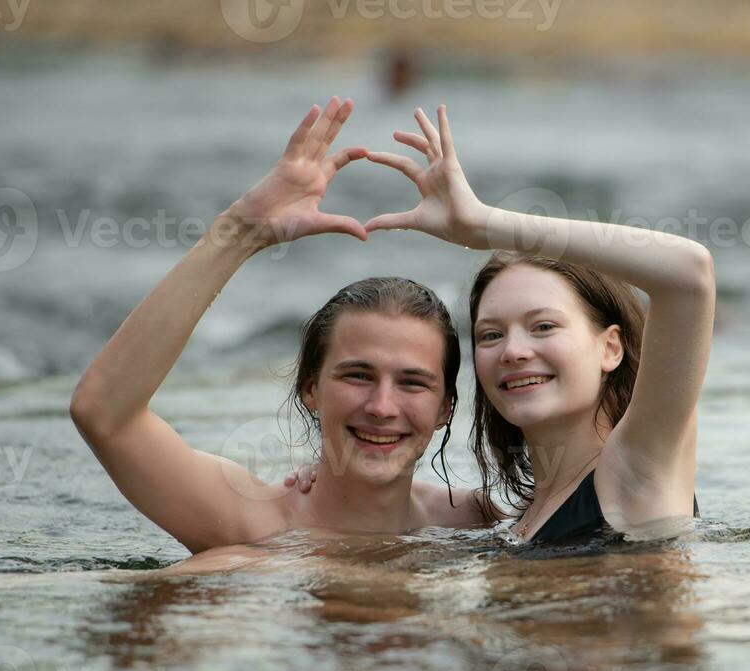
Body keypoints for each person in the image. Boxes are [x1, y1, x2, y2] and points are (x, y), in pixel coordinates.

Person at [71, 97, 484, 556]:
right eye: (358, 375)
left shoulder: (475, 522)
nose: (382, 406)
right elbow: (103, 413)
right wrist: (240, 232)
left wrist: (489, 227)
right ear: (311, 388)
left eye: (412, 382)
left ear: (446, 406)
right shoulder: (252, 524)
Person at [294, 105, 715, 544]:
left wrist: (484, 225)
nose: (513, 351)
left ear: (610, 348)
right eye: (491, 335)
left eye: (544, 327)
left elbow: (690, 275)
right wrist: (333, 478)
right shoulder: (514, 520)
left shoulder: (636, 469)